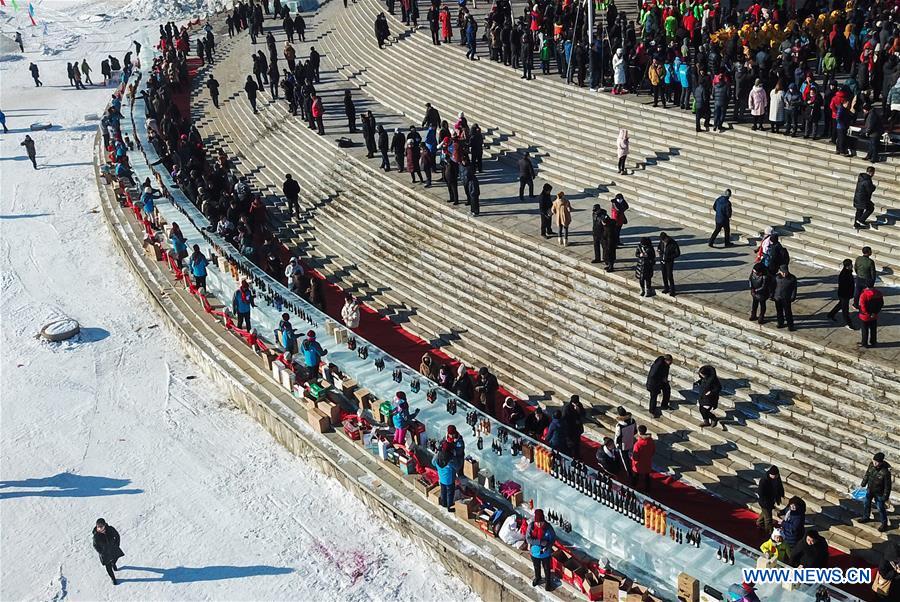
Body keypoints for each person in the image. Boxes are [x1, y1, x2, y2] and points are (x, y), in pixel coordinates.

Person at [860, 452, 892, 532]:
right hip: (870, 489)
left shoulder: (885, 472)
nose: (874, 463)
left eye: (876, 462)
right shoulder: (871, 465)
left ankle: (884, 524)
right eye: (873, 461)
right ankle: (866, 517)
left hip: (879, 493)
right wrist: (863, 484)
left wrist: (885, 497)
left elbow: (888, 486)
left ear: (881, 462)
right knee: (866, 503)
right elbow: (867, 474)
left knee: (880, 508)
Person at [526, 509, 556, 591]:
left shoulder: (548, 528)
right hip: (534, 552)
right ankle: (537, 577)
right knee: (536, 566)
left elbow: (553, 539)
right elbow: (528, 539)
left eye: (541, 522)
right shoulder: (531, 527)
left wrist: (548, 546)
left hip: (545, 553)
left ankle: (548, 582)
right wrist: (540, 542)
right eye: (537, 522)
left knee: (546, 568)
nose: (539, 524)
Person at [92, 519, 124, 585]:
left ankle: (113, 563)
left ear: (104, 525)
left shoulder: (110, 529)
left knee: (116, 558)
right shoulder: (96, 536)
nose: (99, 528)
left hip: (113, 548)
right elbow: (95, 545)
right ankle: (113, 578)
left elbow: (117, 536)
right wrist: (101, 552)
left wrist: (117, 544)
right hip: (105, 553)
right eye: (98, 526)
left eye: (101, 526)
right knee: (108, 567)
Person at [827, 259, 855, 329]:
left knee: (840, 305)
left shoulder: (847, 272)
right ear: (847, 266)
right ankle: (849, 324)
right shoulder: (845, 275)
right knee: (845, 311)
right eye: (851, 265)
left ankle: (831, 315)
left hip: (845, 294)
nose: (852, 266)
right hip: (844, 295)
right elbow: (845, 286)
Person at [756, 466, 784, 534]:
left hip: (771, 500)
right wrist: (769, 504)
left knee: (765, 513)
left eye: (776, 475)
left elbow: (780, 486)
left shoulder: (777, 477)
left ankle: (759, 522)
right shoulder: (763, 481)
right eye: (773, 475)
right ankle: (769, 532)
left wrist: (781, 494)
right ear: (770, 474)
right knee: (768, 519)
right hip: (765, 502)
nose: (775, 477)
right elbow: (761, 493)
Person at [858, 284, 884, 349]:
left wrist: (868, 313)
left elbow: (863, 306)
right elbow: (881, 304)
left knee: (865, 330)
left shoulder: (863, 295)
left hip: (865, 316)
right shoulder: (879, 293)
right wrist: (875, 313)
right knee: (873, 329)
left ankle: (864, 343)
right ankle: (873, 342)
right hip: (874, 315)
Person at [773, 265, 798, 331]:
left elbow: (794, 289)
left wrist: (793, 297)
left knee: (788, 312)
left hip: (786, 298)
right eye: (783, 272)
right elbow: (772, 287)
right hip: (777, 297)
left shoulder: (792, 278)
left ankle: (790, 325)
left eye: (785, 272)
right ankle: (780, 323)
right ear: (780, 272)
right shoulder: (776, 277)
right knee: (779, 311)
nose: (784, 274)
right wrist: (772, 295)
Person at [432, 447, 457, 511]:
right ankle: (450, 507)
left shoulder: (437, 462)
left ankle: (444, 504)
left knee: (443, 492)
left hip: (442, 480)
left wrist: (437, 454)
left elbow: (433, 462)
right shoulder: (449, 464)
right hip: (450, 481)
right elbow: (457, 467)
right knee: (450, 494)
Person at [613, 406, 636, 478]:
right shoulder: (632, 421)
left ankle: (629, 474)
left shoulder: (619, 425)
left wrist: (616, 444)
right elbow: (635, 431)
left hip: (623, 444)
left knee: (624, 459)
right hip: (630, 440)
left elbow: (617, 437)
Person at [631, 425, 655, 490]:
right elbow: (653, 451)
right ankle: (647, 489)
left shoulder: (638, 444)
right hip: (647, 461)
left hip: (639, 464)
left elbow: (635, 457)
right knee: (647, 476)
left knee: (636, 476)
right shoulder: (651, 441)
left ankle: (633, 486)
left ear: (639, 432)